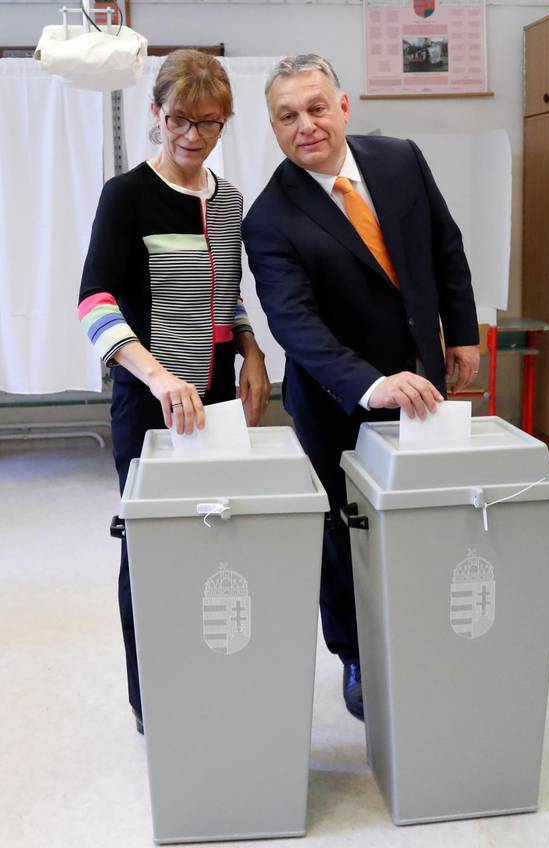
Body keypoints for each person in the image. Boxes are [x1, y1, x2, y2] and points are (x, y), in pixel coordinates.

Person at [242, 54, 479, 721]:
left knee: (427, 514)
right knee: (344, 538)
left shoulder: (400, 158)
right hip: (335, 402)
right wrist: (371, 384)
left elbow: (444, 246)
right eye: (287, 116)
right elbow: (296, 325)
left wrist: (459, 332)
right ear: (273, 127)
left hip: (423, 385)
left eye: (317, 108)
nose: (306, 125)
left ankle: (430, 633)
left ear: (344, 106)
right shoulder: (269, 217)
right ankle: (354, 656)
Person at [79, 50, 270, 733]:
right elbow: (95, 303)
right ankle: (151, 700)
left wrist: (251, 350)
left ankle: (210, 670)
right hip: (149, 402)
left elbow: (229, 297)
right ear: (156, 115)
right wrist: (159, 376)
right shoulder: (125, 195)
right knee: (152, 546)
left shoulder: (229, 201)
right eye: (181, 120)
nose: (193, 136)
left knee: (218, 537)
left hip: (218, 400)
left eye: (210, 123)